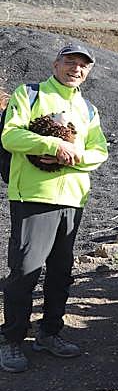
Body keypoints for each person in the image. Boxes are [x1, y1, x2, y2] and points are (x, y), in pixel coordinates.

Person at [0, 43, 108, 372]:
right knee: (25, 271)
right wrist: (54, 143)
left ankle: (50, 332)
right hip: (34, 196)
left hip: (73, 200)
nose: (76, 69)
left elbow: (99, 151)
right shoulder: (29, 94)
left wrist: (73, 157)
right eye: (70, 62)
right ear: (56, 63)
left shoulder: (88, 109)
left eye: (83, 65)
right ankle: (12, 339)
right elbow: (10, 136)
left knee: (61, 272)